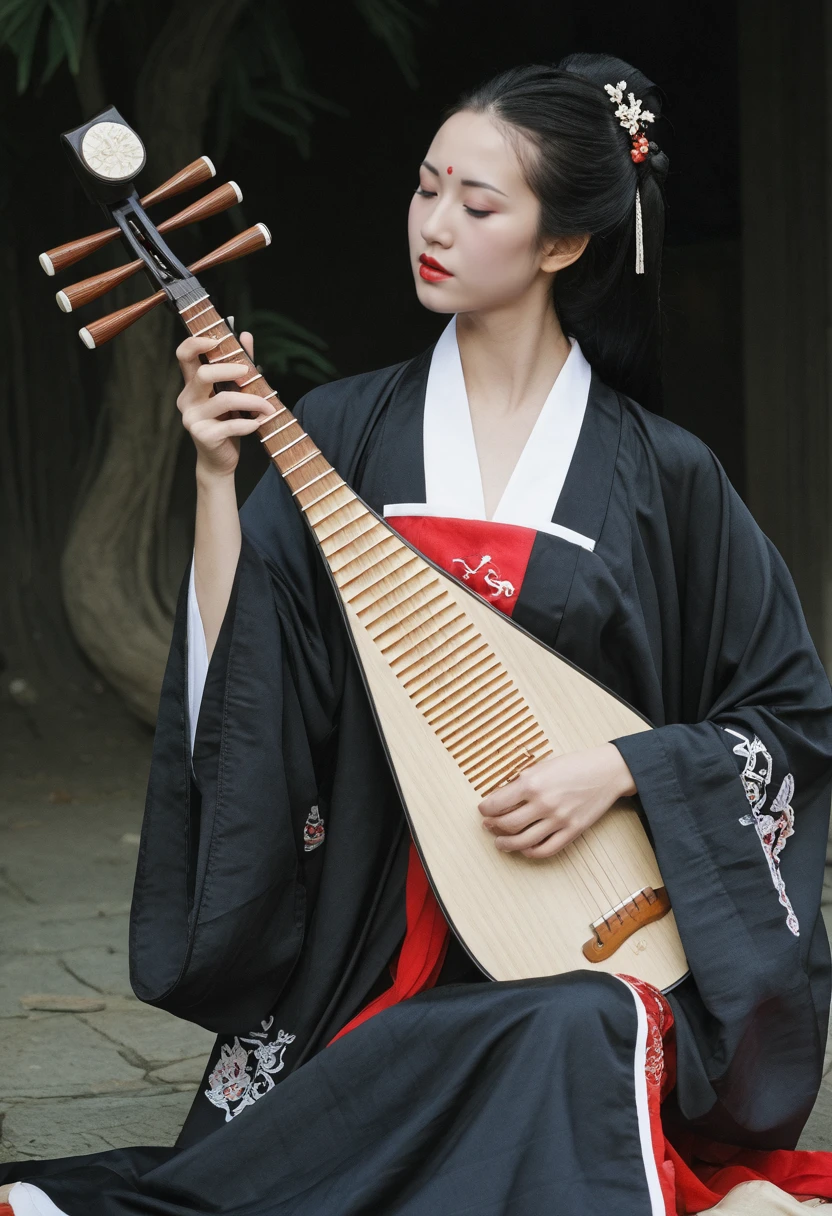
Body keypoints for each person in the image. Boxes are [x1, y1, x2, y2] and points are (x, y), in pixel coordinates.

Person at [3, 51, 832, 1216]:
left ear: (561, 244)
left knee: (586, 1017)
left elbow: (788, 719)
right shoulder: (344, 431)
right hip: (369, 925)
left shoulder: (660, 475)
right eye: (426, 186)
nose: (433, 224)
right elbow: (253, 678)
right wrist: (210, 475)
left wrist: (619, 767)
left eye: (477, 203)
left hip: (584, 926)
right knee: (537, 1041)